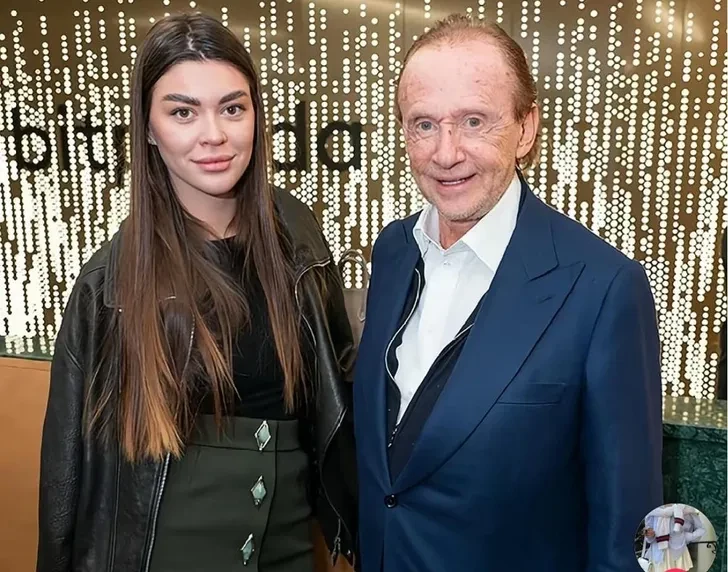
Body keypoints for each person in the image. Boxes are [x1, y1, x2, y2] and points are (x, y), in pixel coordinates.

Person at [37, 13, 356, 572]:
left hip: (290, 546)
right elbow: (65, 474)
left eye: (232, 108)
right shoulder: (107, 288)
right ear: (148, 127)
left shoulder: (299, 238)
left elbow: (334, 392)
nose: (214, 135)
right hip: (164, 549)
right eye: (183, 112)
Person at [353, 14, 663, 572]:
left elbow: (627, 531)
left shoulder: (604, 288)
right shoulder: (393, 251)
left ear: (525, 129)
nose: (446, 153)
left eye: (473, 121)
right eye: (424, 124)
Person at [643, 504, 706, 572]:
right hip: (658, 553)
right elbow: (649, 537)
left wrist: (689, 536)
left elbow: (701, 529)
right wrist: (649, 535)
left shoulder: (687, 509)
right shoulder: (652, 511)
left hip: (678, 552)